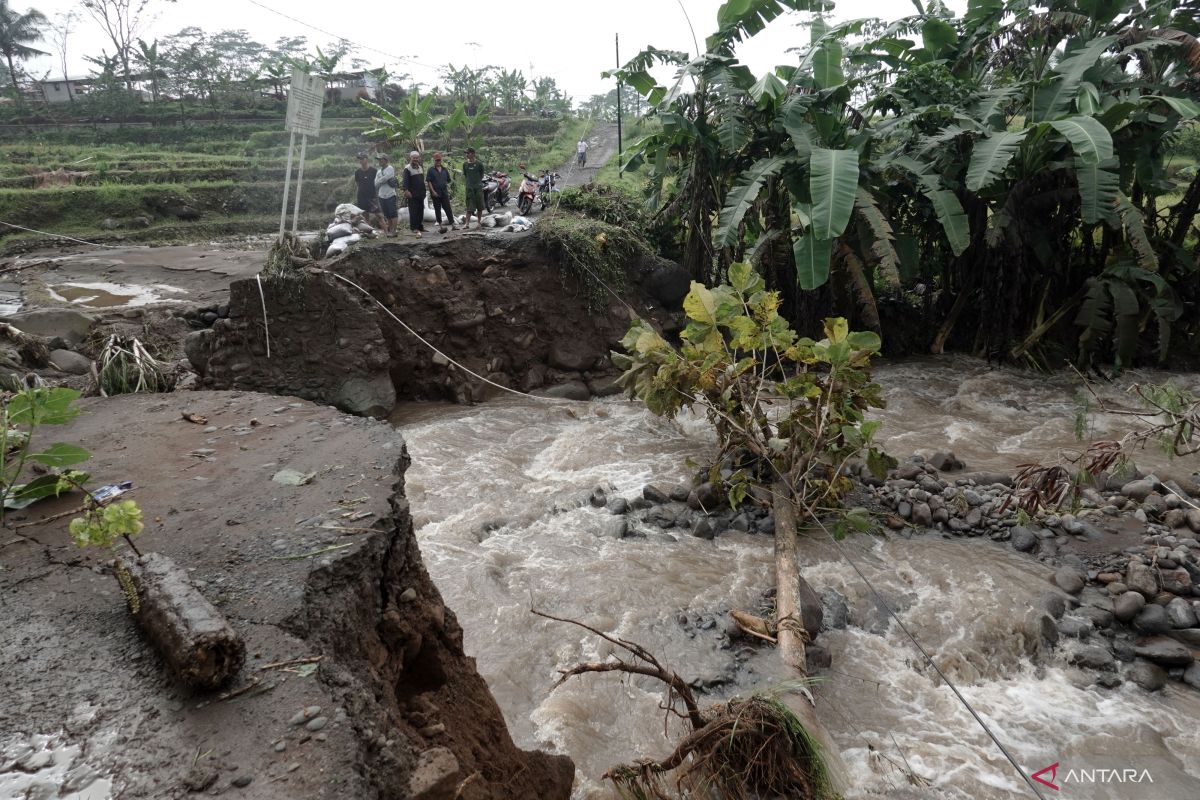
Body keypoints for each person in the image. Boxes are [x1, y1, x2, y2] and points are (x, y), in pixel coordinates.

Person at [426, 151, 455, 232]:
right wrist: (433, 191)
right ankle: (440, 226)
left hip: (444, 192)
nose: (438, 161)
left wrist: (447, 187)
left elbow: (448, 180)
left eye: (439, 160)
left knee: (448, 208)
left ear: (441, 160)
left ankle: (453, 225)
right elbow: (429, 182)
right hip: (435, 193)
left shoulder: (444, 169)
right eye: (436, 160)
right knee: (437, 209)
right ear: (434, 160)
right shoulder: (431, 170)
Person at [353, 152, 381, 228]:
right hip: (362, 196)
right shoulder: (357, 172)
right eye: (359, 159)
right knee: (365, 214)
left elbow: (378, 184)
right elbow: (358, 184)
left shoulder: (374, 171)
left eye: (362, 158)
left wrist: (377, 195)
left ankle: (386, 231)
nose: (360, 161)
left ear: (366, 159)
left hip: (372, 196)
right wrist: (358, 195)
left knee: (378, 215)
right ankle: (369, 231)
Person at [402, 150, 427, 237]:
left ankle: (420, 227)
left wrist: (424, 192)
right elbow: (405, 181)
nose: (415, 159)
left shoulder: (419, 167)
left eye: (417, 158)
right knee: (413, 211)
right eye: (414, 158)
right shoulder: (407, 168)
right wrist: (406, 190)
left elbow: (422, 180)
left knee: (420, 210)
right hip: (412, 193)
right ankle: (414, 227)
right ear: (410, 158)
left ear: (418, 158)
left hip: (420, 193)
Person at [374, 153, 398, 236]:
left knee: (393, 214)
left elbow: (386, 178)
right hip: (381, 195)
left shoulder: (390, 168)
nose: (379, 161)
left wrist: (381, 180)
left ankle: (394, 231)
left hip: (390, 194)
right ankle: (390, 231)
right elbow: (375, 184)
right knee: (387, 215)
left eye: (381, 159)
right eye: (378, 160)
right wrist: (382, 180)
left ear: (385, 160)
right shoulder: (378, 171)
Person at [462, 146, 486, 229]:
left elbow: (482, 175)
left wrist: (477, 183)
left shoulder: (479, 164)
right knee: (469, 207)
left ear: (473, 154)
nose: (466, 155)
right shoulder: (465, 164)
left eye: (468, 153)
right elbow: (465, 175)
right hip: (469, 188)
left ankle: (479, 223)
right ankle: (467, 224)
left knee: (480, 206)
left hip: (478, 188)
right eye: (466, 153)